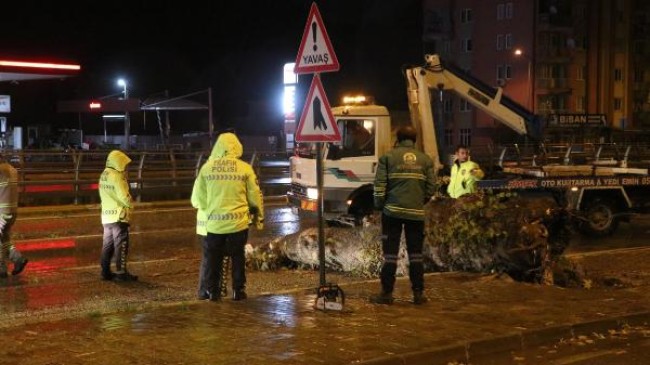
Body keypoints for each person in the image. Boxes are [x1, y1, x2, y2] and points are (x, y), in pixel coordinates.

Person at [192, 132, 264, 301]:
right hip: (238, 223)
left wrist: (210, 208)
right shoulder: (245, 168)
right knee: (237, 256)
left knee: (213, 259)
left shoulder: (207, 168)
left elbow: (198, 199)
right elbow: (254, 197)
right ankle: (238, 291)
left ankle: (213, 292)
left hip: (214, 225)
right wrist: (258, 217)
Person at [372, 126, 435, 305]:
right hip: (416, 214)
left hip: (391, 213)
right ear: (414, 140)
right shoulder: (425, 160)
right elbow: (431, 187)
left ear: (397, 139)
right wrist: (418, 202)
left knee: (390, 255)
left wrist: (379, 206)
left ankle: (386, 293)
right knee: (416, 254)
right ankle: (418, 294)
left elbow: (379, 187)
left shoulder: (387, 158)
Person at [99, 150, 138, 281]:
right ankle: (121, 273)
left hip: (106, 216)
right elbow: (124, 197)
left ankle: (105, 272)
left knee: (107, 246)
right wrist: (131, 204)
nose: (125, 167)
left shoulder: (104, 174)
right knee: (121, 245)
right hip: (119, 216)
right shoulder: (117, 176)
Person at [0, 160, 28, 278]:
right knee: (4, 239)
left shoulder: (2, 170)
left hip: (1, 212)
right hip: (12, 211)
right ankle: (18, 259)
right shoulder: (12, 169)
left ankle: (1, 268)